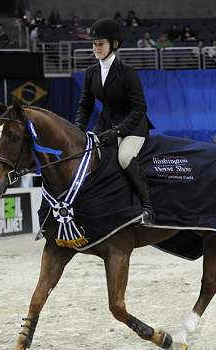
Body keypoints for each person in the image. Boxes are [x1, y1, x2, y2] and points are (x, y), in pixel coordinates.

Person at [75, 18, 156, 224]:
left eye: (100, 43)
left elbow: (140, 108)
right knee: (88, 156)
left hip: (133, 126)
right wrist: (77, 130)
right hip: (105, 124)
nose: (96, 48)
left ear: (114, 44)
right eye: (94, 44)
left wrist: (119, 131)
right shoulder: (91, 72)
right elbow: (85, 104)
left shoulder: (127, 73)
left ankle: (147, 207)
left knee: (124, 157)